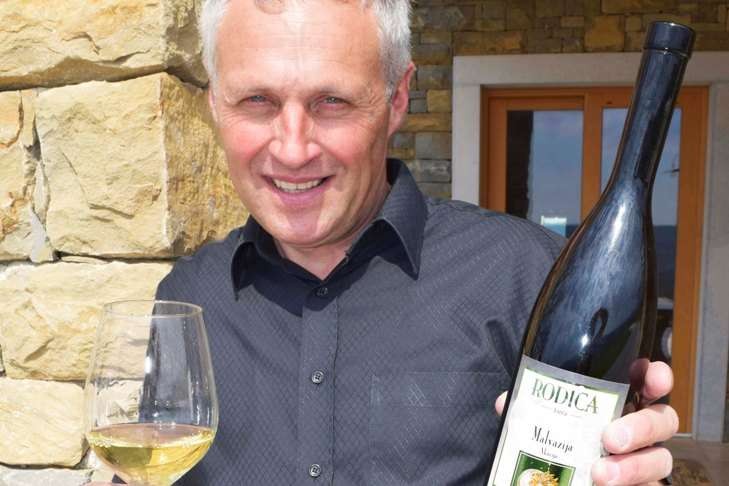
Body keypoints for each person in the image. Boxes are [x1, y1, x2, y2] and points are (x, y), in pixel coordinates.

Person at [94, 0, 678, 484]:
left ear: (397, 99)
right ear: (215, 105)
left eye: (332, 102)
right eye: (257, 101)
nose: (293, 149)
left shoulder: (526, 276)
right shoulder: (189, 297)